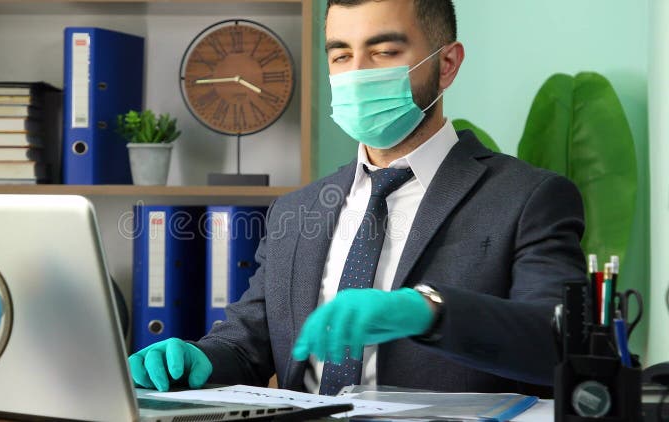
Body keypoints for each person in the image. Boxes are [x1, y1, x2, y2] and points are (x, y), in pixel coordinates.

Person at [128, 0, 586, 395]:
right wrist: (198, 358)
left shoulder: (528, 198)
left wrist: (428, 310)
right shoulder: (296, 209)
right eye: (341, 55)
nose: (357, 74)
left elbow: (559, 344)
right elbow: (248, 344)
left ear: (446, 64)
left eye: (384, 51)